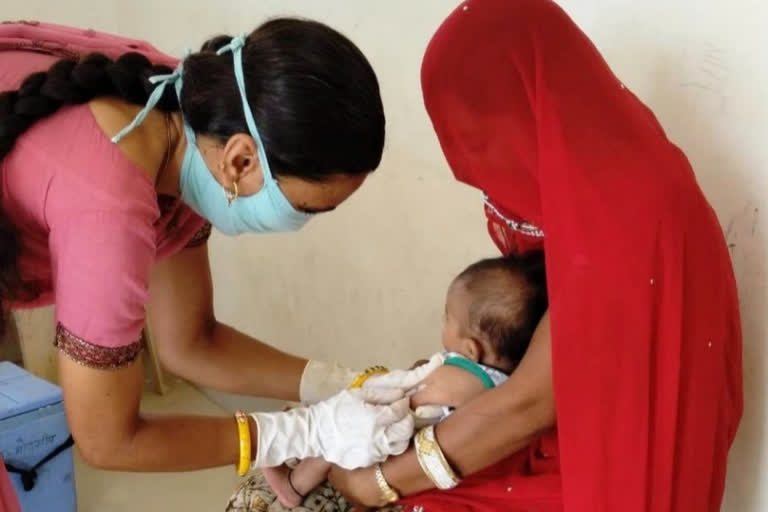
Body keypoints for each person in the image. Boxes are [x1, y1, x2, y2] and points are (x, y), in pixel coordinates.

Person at [326, 1, 743, 511]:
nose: (465, 160)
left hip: (620, 461)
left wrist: (380, 484)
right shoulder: (587, 170)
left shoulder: (621, 208)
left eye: (474, 129)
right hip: (563, 425)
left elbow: (531, 403)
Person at [0, 20, 433, 476]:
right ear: (241, 160)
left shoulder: (195, 109)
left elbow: (191, 341)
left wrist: (346, 385)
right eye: (306, 208)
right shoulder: (107, 216)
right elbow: (109, 441)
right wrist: (307, 432)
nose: (303, 222)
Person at [262, 252, 548, 508]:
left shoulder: (464, 377)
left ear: (471, 349)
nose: (443, 325)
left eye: (447, 318)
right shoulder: (506, 378)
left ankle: (294, 485)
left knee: (343, 434)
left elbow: (414, 398)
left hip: (410, 448)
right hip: (437, 449)